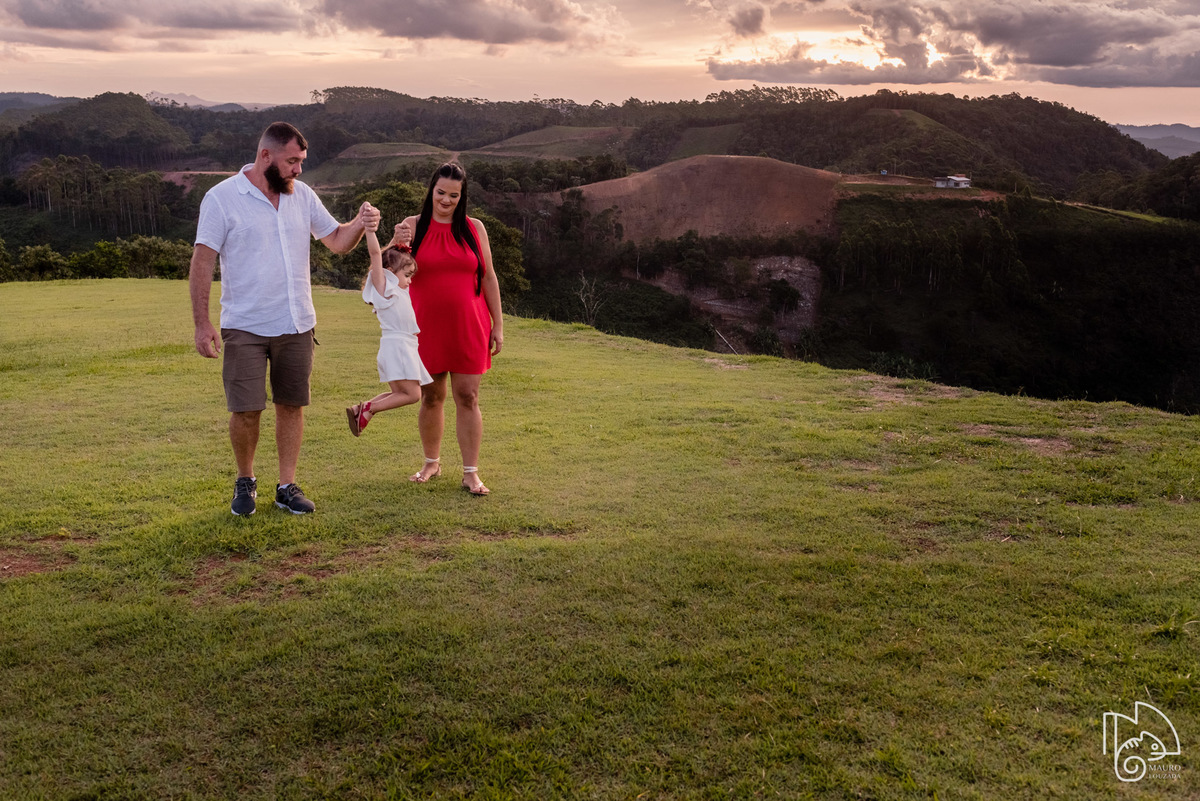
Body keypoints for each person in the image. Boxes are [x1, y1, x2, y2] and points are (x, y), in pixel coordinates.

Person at [189, 121, 380, 516]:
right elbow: (202, 260)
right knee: (245, 409)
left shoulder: (302, 196)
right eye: (292, 161)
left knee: (291, 405)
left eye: (301, 161)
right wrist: (202, 322)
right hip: (245, 324)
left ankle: (287, 486)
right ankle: (246, 481)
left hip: (296, 323)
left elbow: (337, 241)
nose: (298, 169)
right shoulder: (222, 198)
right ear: (266, 157)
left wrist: (361, 223)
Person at [389, 161, 504, 495]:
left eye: (454, 195)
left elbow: (488, 276)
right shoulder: (412, 226)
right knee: (431, 396)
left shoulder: (474, 228)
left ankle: (471, 473)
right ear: (432, 190)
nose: (446, 200)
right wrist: (396, 243)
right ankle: (431, 462)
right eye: (441, 193)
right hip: (424, 326)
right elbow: (387, 273)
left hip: (470, 324)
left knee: (468, 396)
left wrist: (499, 323)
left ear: (461, 195)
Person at [345, 225, 432, 437]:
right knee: (412, 395)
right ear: (391, 274)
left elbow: (394, 258)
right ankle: (369, 409)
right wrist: (370, 230)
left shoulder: (399, 289)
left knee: (399, 393)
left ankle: (361, 410)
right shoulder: (385, 289)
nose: (410, 280)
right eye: (408, 275)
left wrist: (402, 243)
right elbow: (377, 254)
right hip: (398, 346)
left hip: (403, 346)